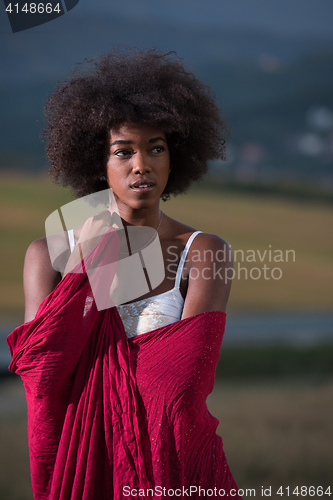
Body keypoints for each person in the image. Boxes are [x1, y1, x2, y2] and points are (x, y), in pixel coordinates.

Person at [7, 47, 241, 500]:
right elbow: (42, 377)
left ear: (175, 159)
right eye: (123, 151)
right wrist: (87, 269)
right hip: (82, 472)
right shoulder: (50, 256)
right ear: (99, 163)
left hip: (177, 471)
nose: (142, 164)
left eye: (157, 148)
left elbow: (181, 387)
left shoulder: (204, 253)